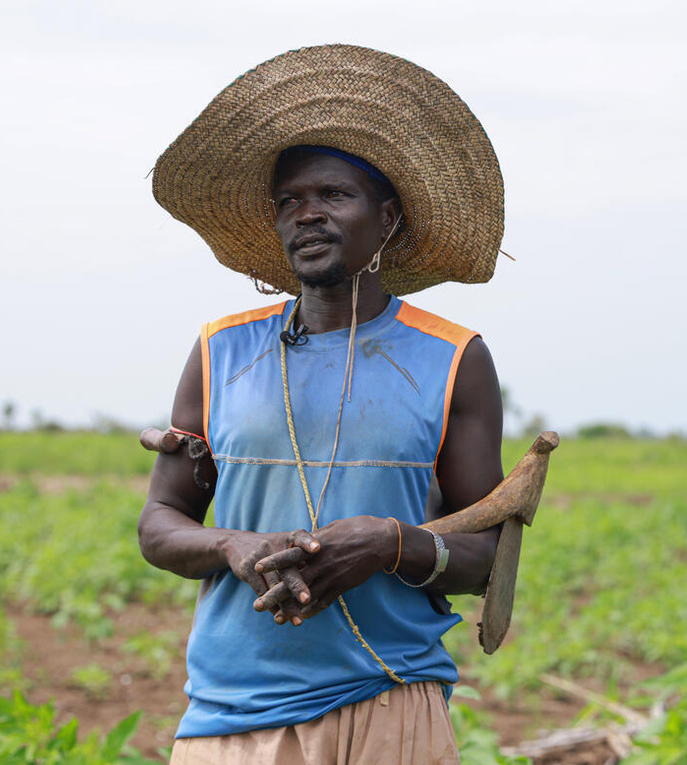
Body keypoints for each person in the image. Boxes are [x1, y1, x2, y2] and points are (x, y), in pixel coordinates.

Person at [139, 44, 509, 764]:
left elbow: (487, 553)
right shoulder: (220, 350)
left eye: (332, 195)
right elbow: (160, 524)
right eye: (289, 202)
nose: (306, 214)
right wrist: (231, 544)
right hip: (231, 707)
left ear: (388, 217)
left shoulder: (454, 358)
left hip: (388, 696)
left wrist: (388, 542)